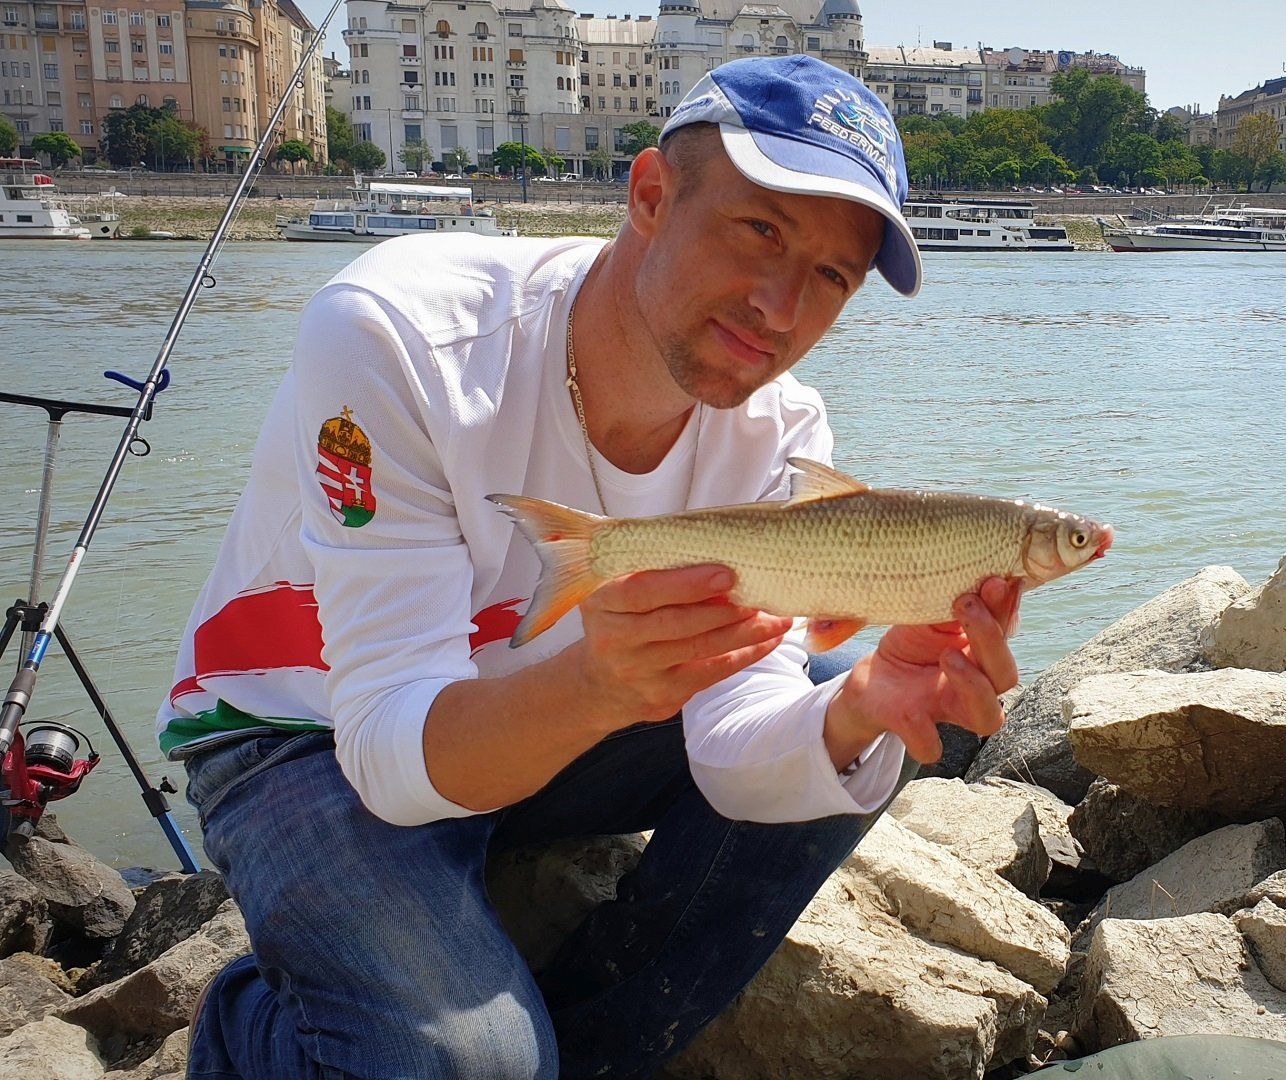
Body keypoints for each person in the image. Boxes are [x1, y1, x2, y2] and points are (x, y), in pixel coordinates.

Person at [162, 56, 1021, 1079]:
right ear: (651, 195)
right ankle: (252, 1035)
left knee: (851, 706)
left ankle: (591, 1051)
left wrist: (859, 713)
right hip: (304, 730)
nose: (782, 309)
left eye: (832, 277)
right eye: (761, 232)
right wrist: (592, 688)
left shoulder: (777, 432)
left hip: (550, 718)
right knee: (470, 1063)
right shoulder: (399, 337)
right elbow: (388, 754)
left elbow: (735, 736)